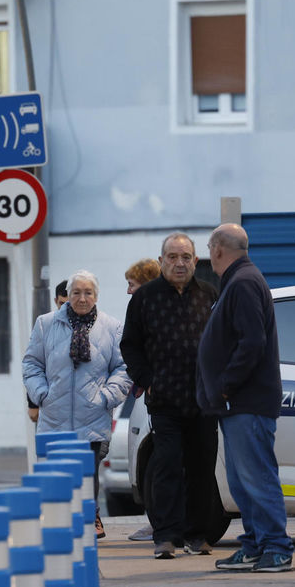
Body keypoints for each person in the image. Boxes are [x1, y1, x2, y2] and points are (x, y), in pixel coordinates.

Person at [197, 223, 293, 573]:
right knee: (240, 480)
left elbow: (252, 342)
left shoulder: (244, 282)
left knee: (256, 477)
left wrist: (225, 385)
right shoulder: (239, 281)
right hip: (238, 403)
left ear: (218, 249)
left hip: (246, 402)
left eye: (209, 247)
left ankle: (277, 548)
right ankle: (254, 545)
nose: (210, 253)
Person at [121, 233, 222, 557]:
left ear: (195, 260)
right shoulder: (145, 298)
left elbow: (224, 341)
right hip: (164, 401)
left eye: (186, 256)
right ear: (162, 260)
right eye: (173, 256)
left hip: (203, 400)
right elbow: (130, 346)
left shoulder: (208, 295)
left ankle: (197, 535)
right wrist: (147, 379)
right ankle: (165, 536)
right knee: (166, 467)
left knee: (202, 468)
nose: (180, 263)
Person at [23, 270, 131, 539]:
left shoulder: (111, 326)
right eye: (76, 293)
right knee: (56, 475)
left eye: (88, 293)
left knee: (87, 474)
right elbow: (32, 363)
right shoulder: (46, 324)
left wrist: (107, 396)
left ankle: (89, 519)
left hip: (92, 414)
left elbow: (123, 367)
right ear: (67, 296)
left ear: (96, 296)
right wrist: (41, 394)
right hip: (54, 414)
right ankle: (57, 524)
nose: (82, 298)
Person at [28, 281, 70, 425]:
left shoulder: (93, 326)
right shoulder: (45, 326)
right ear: (55, 301)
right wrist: (33, 403)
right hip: (53, 405)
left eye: (69, 303)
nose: (65, 308)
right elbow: (34, 364)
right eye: (61, 303)